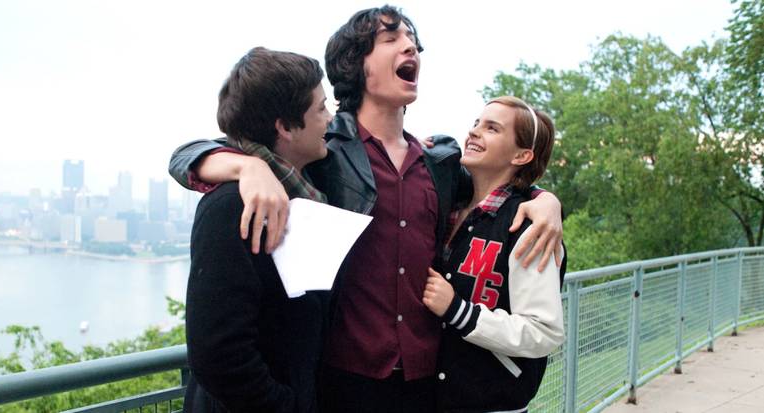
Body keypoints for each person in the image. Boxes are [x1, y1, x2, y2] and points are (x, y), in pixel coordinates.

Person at [169, 6, 564, 412]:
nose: (410, 46)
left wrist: (546, 201)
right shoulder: (322, 153)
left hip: (427, 383)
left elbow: (500, 189)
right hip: (342, 382)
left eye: (412, 40)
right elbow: (202, 150)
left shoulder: (440, 162)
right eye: (391, 39)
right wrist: (246, 165)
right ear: (357, 64)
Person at [183, 47, 333, 413]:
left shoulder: (301, 190)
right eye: (320, 109)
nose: (330, 118)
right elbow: (218, 351)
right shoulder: (231, 206)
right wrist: (285, 405)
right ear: (284, 126)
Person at [422, 96, 566, 413]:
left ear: (522, 155)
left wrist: (458, 311)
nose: (474, 132)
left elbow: (544, 331)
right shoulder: (450, 209)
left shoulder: (529, 226)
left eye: (492, 128)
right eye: (476, 123)